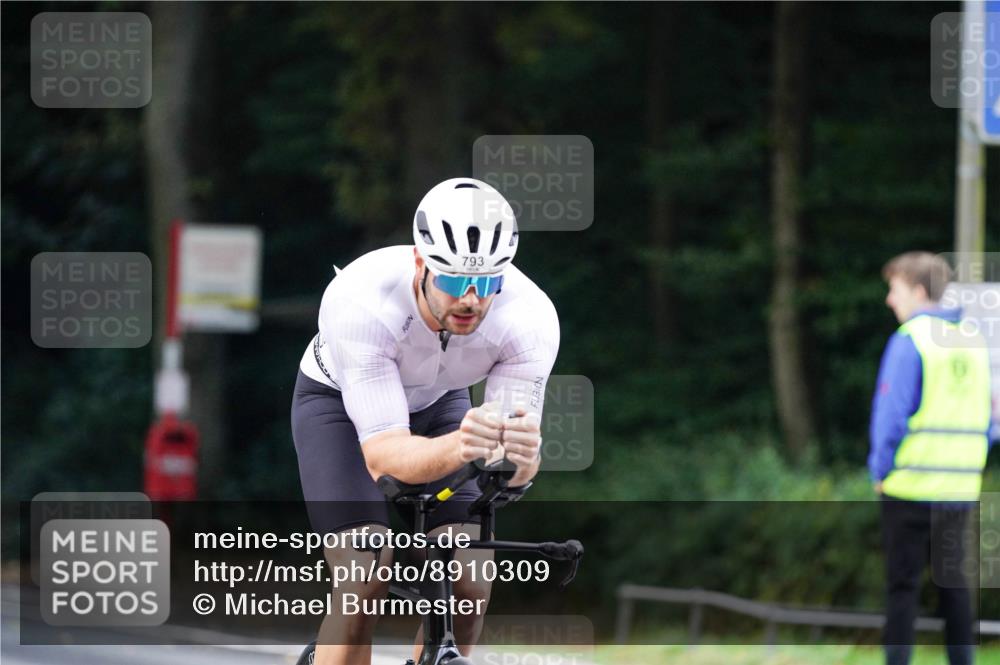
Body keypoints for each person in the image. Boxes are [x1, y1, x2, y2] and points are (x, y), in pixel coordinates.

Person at [291, 177, 560, 665]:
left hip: (441, 404)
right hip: (339, 406)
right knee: (363, 572)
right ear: (421, 263)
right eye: (456, 281)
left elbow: (508, 471)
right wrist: (465, 446)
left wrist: (521, 460)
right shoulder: (360, 301)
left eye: (487, 283)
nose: (471, 300)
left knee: (472, 580)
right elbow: (386, 458)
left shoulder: (530, 319)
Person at [867, 251, 994, 665]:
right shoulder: (975, 341)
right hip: (959, 489)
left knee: (901, 589)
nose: (890, 300)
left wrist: (880, 471)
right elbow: (992, 419)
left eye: (895, 289)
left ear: (918, 292)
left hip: (909, 487)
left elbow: (890, 418)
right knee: (955, 590)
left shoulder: (911, 341)